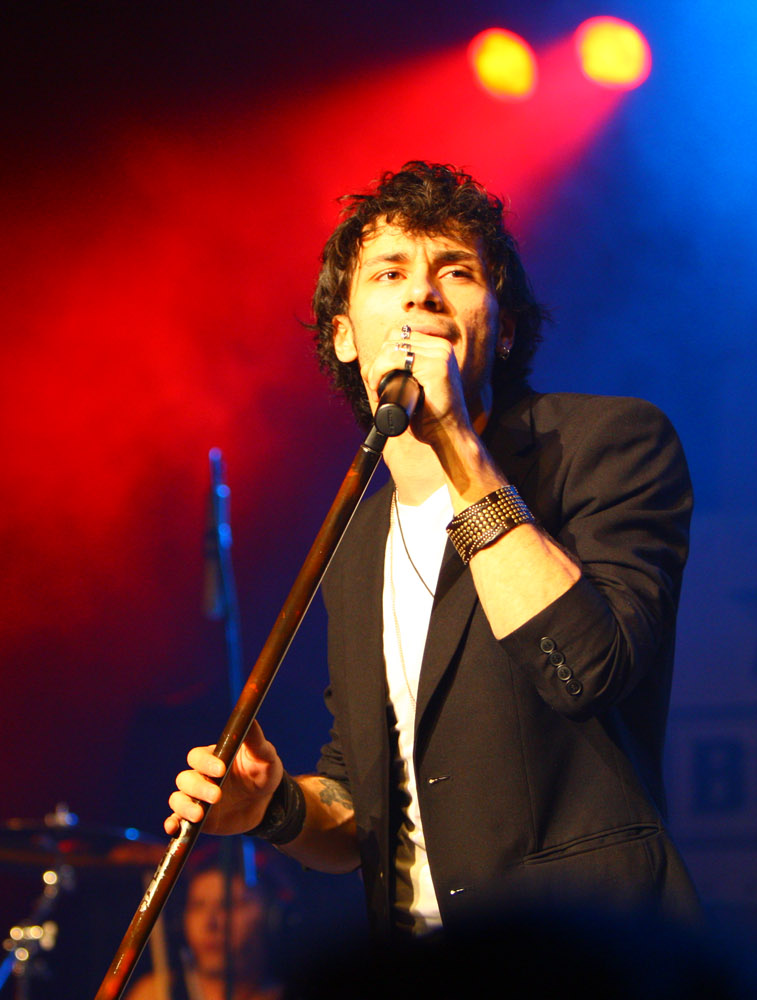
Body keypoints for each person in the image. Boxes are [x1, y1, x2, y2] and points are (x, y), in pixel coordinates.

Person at [167, 161, 697, 936]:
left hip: (587, 953)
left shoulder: (606, 444)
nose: (421, 294)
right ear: (345, 337)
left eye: (455, 271)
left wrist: (452, 436)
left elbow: (589, 671)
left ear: (504, 329)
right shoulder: (355, 540)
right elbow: (364, 804)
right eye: (390, 273)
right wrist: (274, 807)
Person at [123, 848, 285, 1000]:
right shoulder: (153, 993)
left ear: (271, 916)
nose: (210, 923)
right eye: (197, 905)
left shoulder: (292, 992)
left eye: (228, 905)